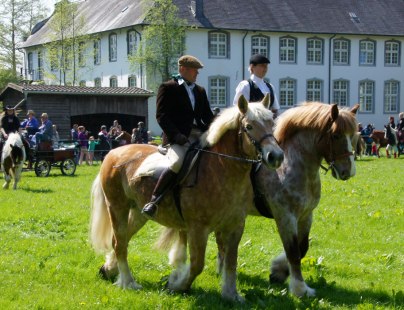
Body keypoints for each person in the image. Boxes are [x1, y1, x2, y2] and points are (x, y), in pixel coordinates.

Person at [142, 55, 215, 218]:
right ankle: (154, 200)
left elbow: (208, 116)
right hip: (179, 138)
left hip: (201, 135)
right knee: (176, 163)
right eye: (194, 71)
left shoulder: (200, 90)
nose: (197, 74)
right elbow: (161, 115)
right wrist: (176, 135)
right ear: (183, 69)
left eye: (197, 71)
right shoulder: (167, 87)